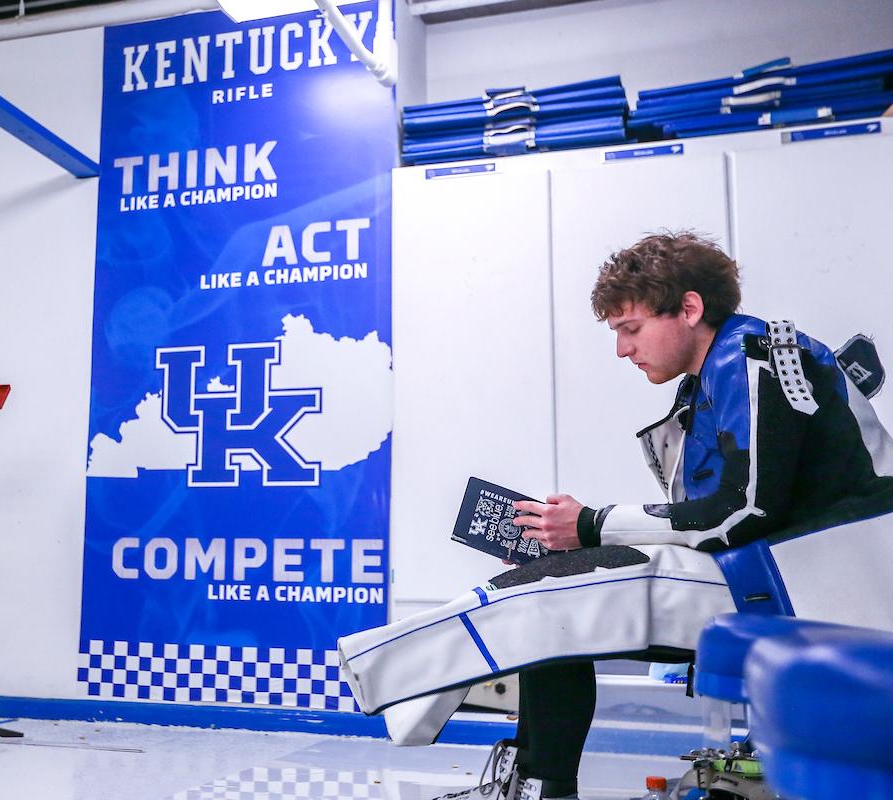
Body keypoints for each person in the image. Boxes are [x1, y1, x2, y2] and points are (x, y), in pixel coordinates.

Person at [336, 232, 893, 800]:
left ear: (690, 308)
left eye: (631, 329)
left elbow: (742, 512)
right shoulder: (711, 380)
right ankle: (538, 783)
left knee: (555, 592)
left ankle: (392, 679)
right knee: (557, 587)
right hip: (776, 569)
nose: (622, 350)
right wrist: (576, 536)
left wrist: (591, 526)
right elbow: (709, 518)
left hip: (823, 581)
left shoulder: (752, 355)